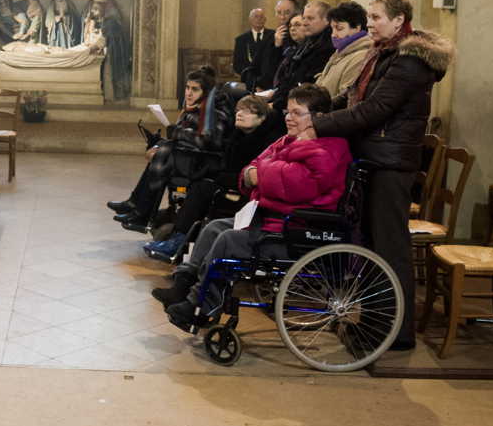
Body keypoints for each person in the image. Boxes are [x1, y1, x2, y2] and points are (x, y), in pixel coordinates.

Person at [310, 0, 453, 351]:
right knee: (372, 245)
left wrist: (320, 125)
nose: (370, 24)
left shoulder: (410, 61)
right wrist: (317, 110)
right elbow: (355, 97)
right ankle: (376, 323)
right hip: (376, 157)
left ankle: (398, 333)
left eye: (376, 18)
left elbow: (375, 110)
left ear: (399, 20)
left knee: (391, 246)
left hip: (391, 163)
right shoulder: (384, 52)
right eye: (370, 17)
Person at [160, 85, 351, 331]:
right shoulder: (290, 140)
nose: (288, 118)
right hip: (271, 218)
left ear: (319, 117)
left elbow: (295, 185)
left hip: (295, 230)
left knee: (229, 239)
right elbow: (252, 168)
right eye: (287, 112)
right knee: (213, 228)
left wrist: (260, 174)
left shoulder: (328, 149)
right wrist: (257, 174)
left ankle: (202, 303)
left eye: (296, 113)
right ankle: (182, 287)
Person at [142, 94, 281, 261]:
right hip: (230, 182)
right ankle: (175, 236)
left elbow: (249, 175)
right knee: (197, 181)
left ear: (261, 118)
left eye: (247, 111)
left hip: (248, 190)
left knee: (201, 188)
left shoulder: (265, 142)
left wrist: (216, 176)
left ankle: (177, 241)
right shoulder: (236, 135)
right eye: (238, 110)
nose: (240, 114)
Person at [107, 67, 232, 231]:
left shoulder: (213, 111)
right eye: (187, 88)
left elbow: (207, 142)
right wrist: (159, 144)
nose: (188, 93)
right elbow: (182, 137)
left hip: (204, 162)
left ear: (205, 91)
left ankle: (141, 211)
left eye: (194, 89)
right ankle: (135, 205)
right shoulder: (193, 106)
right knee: (162, 151)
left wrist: (176, 133)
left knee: (164, 154)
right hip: (189, 156)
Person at [269, 0, 335, 111]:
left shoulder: (327, 46)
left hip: (306, 108)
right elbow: (289, 77)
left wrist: (276, 105)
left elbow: (306, 83)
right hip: (288, 102)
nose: (305, 22)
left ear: (326, 20)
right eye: (304, 18)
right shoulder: (308, 43)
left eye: (310, 18)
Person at [316, 1, 373, 101]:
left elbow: (345, 98)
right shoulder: (340, 53)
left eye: (339, 28)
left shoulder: (361, 56)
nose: (333, 34)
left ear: (356, 28)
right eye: (332, 29)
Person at [258, 0, 301, 89]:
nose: (282, 17)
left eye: (287, 12)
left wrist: (277, 47)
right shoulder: (268, 36)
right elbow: (256, 67)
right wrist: (256, 85)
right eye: (279, 12)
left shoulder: (299, 37)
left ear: (296, 14)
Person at [233, 8, 274, 91]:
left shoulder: (273, 36)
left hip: (270, 81)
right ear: (250, 20)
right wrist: (251, 80)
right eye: (256, 17)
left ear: (265, 19)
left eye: (261, 17)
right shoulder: (241, 40)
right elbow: (237, 64)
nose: (259, 19)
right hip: (248, 82)